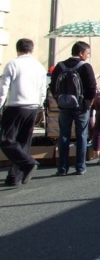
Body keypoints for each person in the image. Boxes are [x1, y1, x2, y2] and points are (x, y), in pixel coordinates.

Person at [0, 39, 48, 186]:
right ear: (31, 49)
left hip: (16, 105)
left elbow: (3, 88)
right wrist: (40, 105)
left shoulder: (13, 64)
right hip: (33, 106)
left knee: (5, 139)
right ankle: (14, 176)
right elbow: (42, 89)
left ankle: (27, 163)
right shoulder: (39, 66)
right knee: (23, 142)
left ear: (17, 49)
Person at [50, 41, 97, 176]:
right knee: (81, 135)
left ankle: (62, 168)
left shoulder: (60, 66)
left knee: (63, 135)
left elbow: (53, 86)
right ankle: (80, 167)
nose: (88, 56)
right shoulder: (85, 66)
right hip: (81, 106)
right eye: (87, 53)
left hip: (64, 105)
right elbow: (92, 87)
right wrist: (89, 101)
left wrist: (60, 100)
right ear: (81, 53)